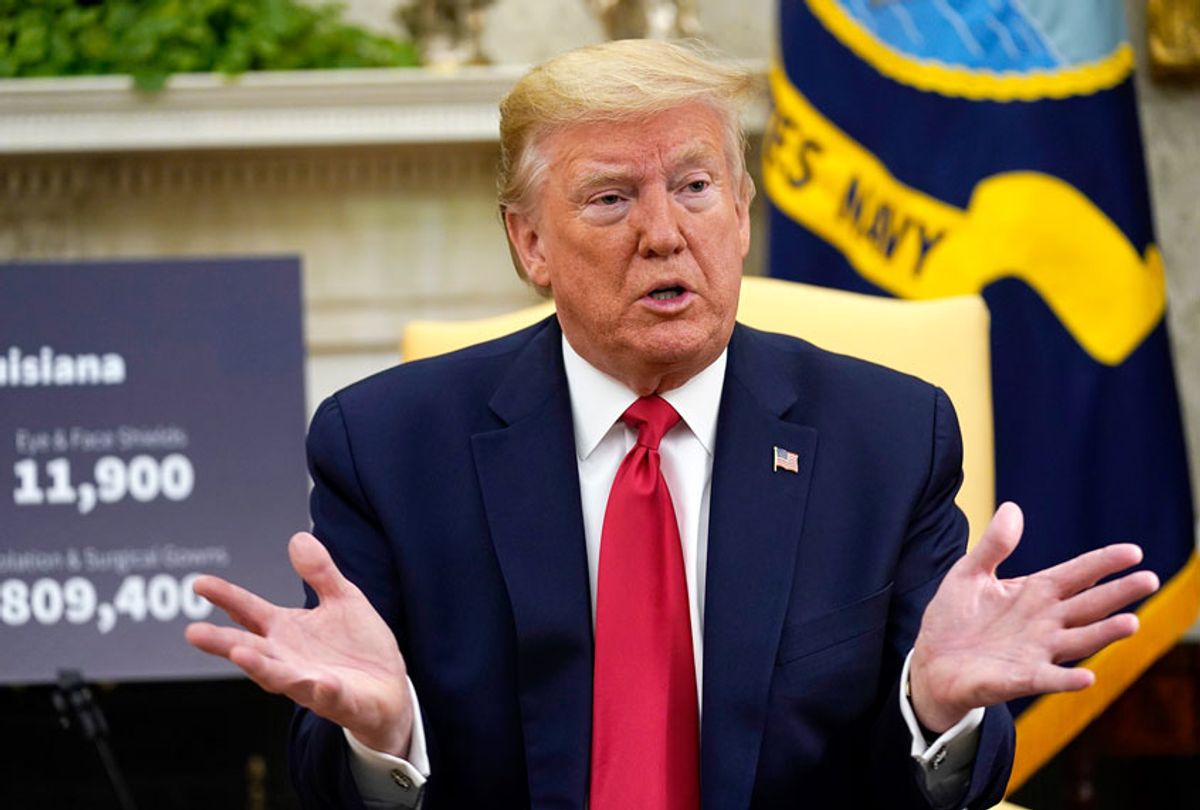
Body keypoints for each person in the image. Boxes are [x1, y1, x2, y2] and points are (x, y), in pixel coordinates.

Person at [185, 40, 1159, 810]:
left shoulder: (888, 440)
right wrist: (383, 740)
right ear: (529, 241)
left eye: (694, 188)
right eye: (612, 198)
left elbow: (924, 784)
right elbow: (331, 777)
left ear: (740, 212)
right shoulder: (388, 447)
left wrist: (935, 709)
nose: (664, 232)